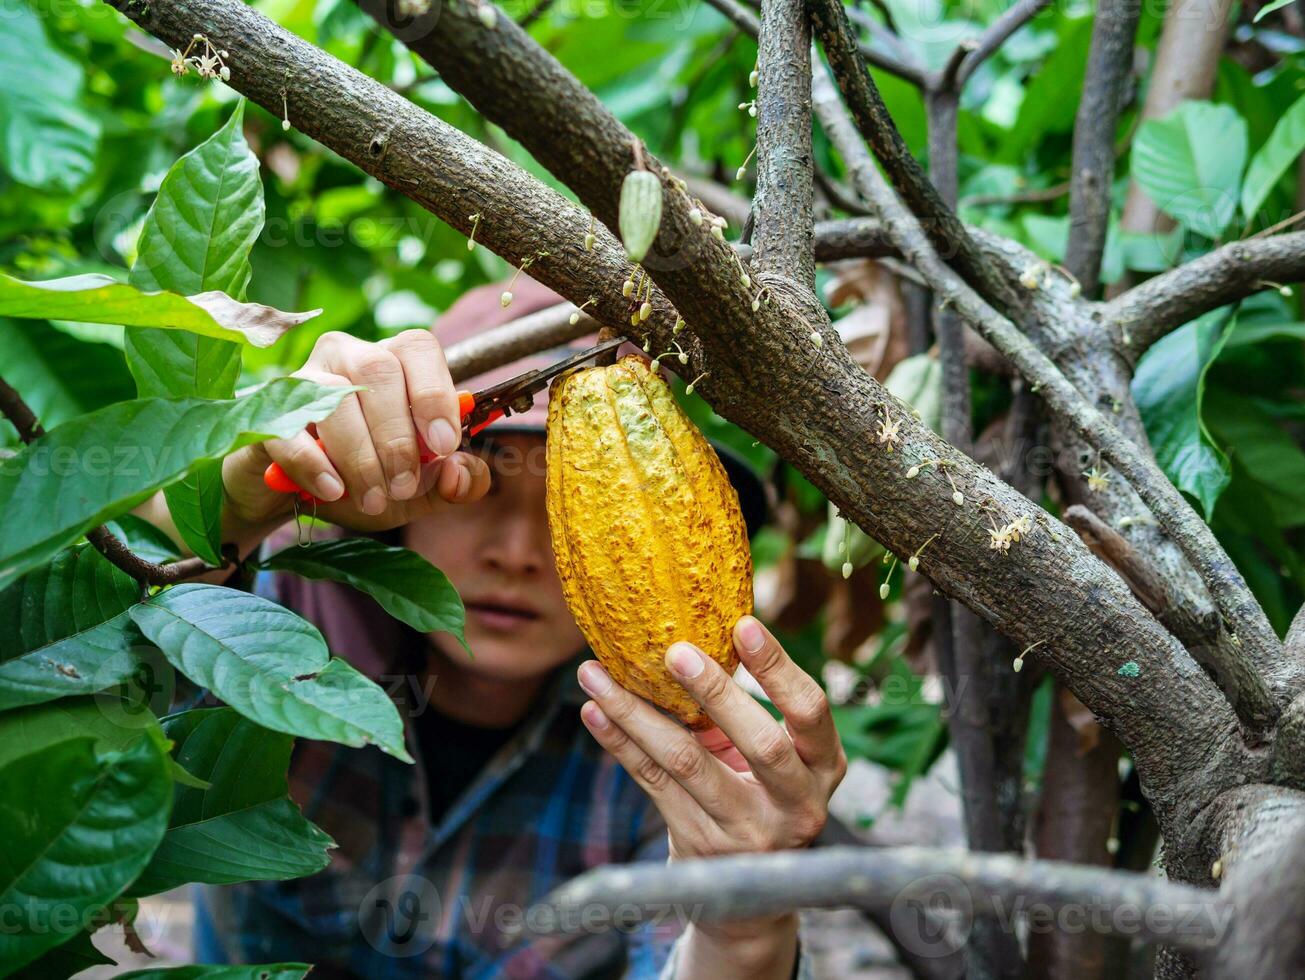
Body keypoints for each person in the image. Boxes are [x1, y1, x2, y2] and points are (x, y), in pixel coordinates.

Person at [136, 279, 846, 979]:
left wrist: (743, 928)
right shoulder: (280, 631)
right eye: (482, 481)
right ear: (412, 490)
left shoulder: (672, 751)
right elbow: (72, 648)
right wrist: (234, 501)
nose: (515, 553)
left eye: (575, 504)